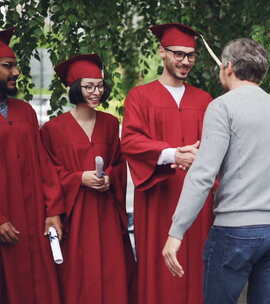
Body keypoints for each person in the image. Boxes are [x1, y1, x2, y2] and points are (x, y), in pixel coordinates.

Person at [163, 38, 270, 304]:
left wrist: (176, 231)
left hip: (238, 226)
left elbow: (203, 175)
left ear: (228, 67)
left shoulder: (222, 106)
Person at [121, 23, 214, 304]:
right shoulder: (140, 96)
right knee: (158, 266)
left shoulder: (205, 100)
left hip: (197, 197)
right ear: (162, 53)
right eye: (178, 54)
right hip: (158, 197)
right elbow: (130, 141)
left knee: (196, 264)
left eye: (191, 55)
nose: (185, 61)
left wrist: (202, 159)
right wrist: (174, 154)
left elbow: (218, 147)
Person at [40, 54, 135, 304]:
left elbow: (119, 163)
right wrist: (79, 178)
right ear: (74, 88)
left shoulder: (111, 124)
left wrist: (110, 179)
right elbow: (48, 172)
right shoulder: (53, 129)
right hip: (75, 214)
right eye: (88, 86)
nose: (96, 92)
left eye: (100, 85)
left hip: (106, 212)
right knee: (78, 274)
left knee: (113, 269)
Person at [0, 27, 64, 304]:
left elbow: (44, 166)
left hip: (31, 222)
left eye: (15, 66)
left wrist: (53, 211)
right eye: (7, 66)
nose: (16, 72)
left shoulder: (23, 111)